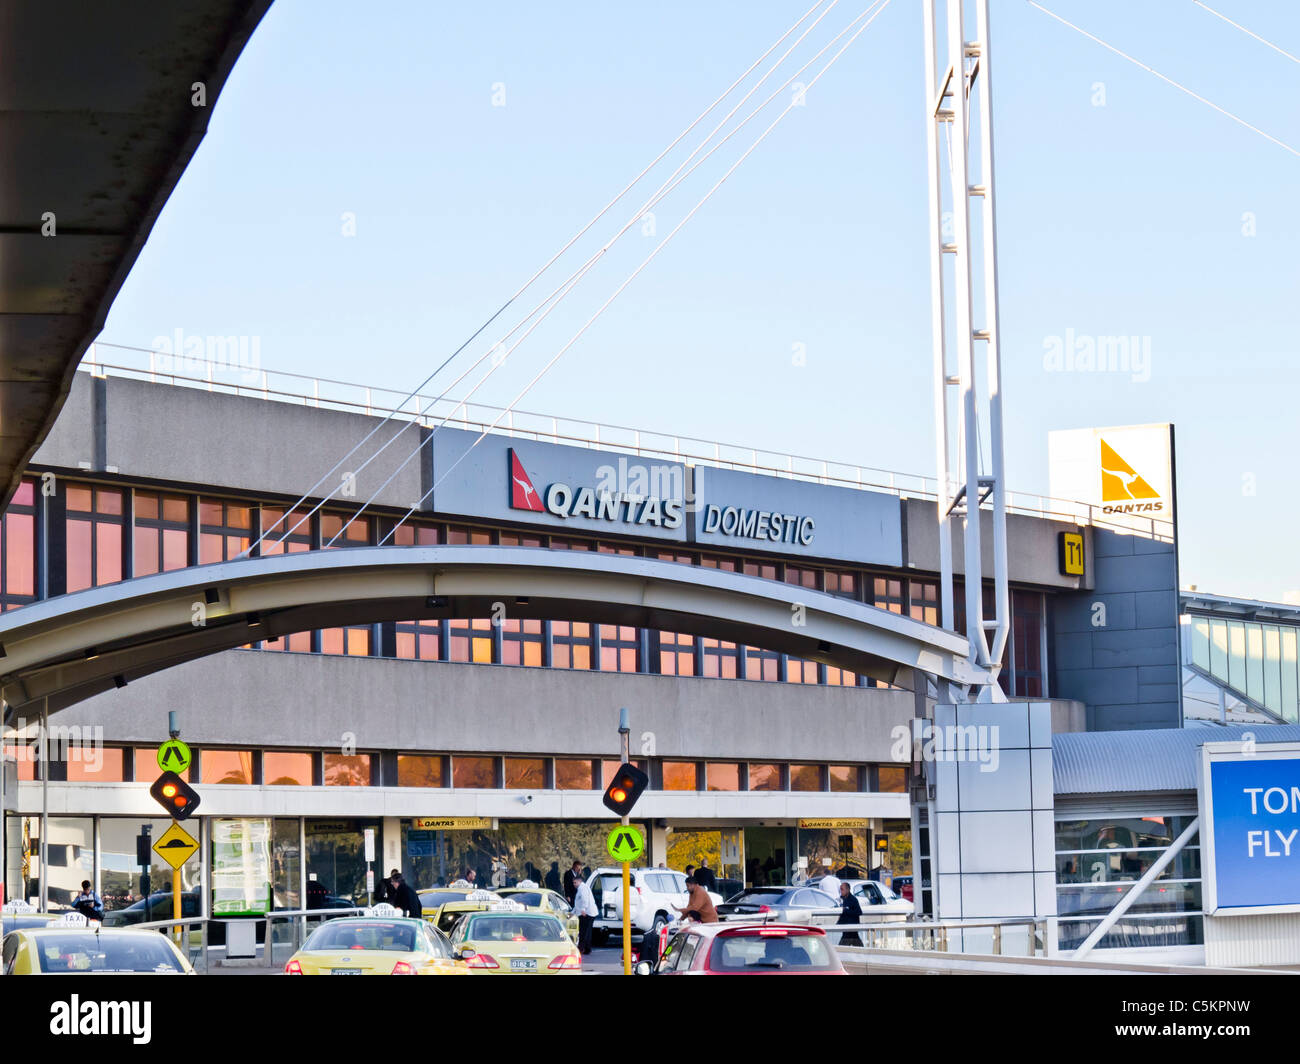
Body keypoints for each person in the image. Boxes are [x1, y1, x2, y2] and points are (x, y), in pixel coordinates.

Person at [571, 870, 599, 955]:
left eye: (575, 882)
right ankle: (586, 948)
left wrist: (583, 909)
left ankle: (582, 948)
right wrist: (573, 912)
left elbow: (584, 899)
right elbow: (578, 903)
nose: (574, 884)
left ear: (580, 881)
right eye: (573, 883)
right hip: (587, 912)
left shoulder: (582, 888)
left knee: (584, 932)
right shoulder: (582, 888)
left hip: (587, 913)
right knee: (586, 932)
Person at [836, 881, 863, 947]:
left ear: (847, 890)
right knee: (857, 945)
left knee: (843, 947)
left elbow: (859, 912)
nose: (840, 891)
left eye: (842, 889)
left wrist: (846, 910)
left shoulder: (853, 900)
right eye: (840, 889)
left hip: (851, 927)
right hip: (846, 928)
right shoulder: (840, 900)